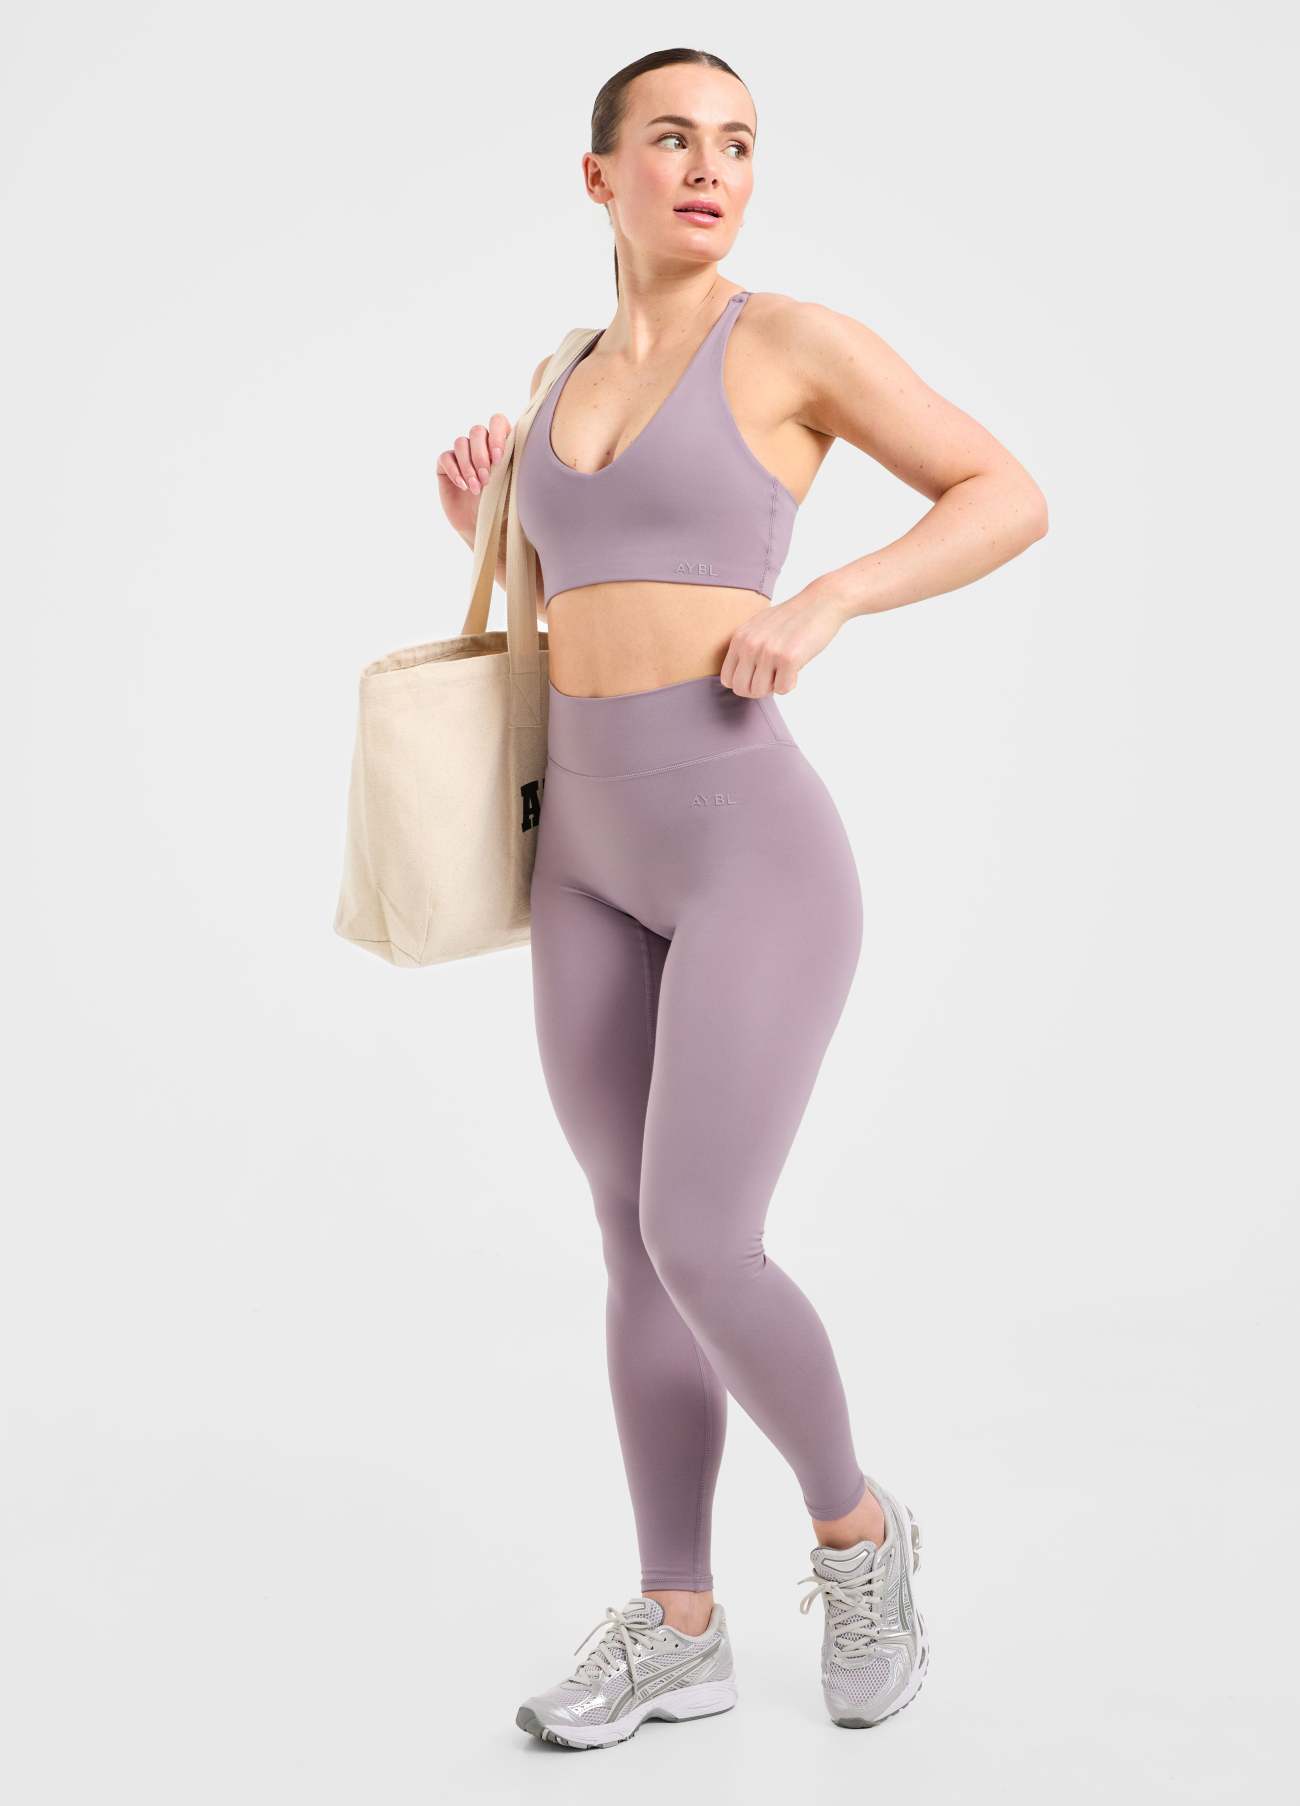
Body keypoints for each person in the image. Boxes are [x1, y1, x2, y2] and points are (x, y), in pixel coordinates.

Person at [436, 47, 1047, 1749]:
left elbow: (1005, 492)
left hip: (747, 850)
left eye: (737, 144)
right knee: (632, 1243)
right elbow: (573, 610)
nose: (709, 169)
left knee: (702, 1236)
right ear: (599, 175)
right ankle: (677, 1621)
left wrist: (829, 597)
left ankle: (857, 1535)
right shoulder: (558, 375)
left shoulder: (785, 342)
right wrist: (482, 525)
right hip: (585, 856)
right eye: (671, 140)